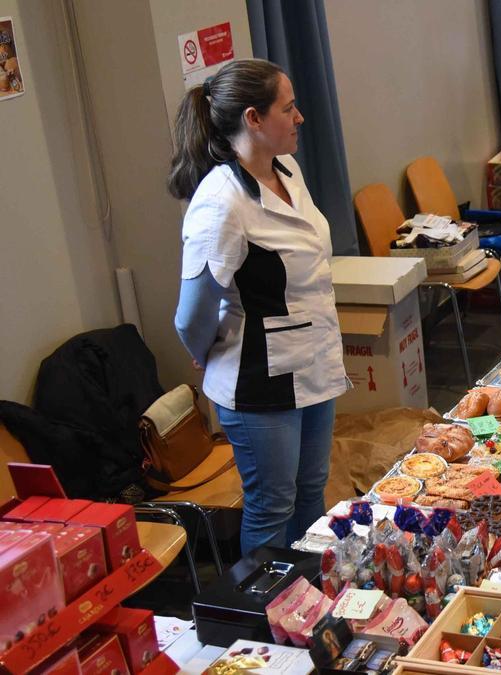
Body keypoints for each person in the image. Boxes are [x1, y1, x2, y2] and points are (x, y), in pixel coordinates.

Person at [168, 59, 348, 554]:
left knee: (311, 495)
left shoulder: (286, 169)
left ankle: (305, 608)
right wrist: (205, 352)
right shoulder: (220, 204)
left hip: (311, 362)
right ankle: (261, 618)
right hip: (258, 383)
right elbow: (191, 315)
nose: (299, 118)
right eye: (288, 109)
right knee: (272, 506)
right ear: (252, 118)